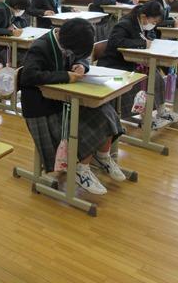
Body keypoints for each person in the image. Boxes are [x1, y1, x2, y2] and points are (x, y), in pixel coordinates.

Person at [19, 18, 125, 195]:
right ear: (65, 40)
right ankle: (81, 170)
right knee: (89, 125)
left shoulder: (70, 41)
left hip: (62, 100)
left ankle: (102, 157)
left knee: (105, 112)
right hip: (42, 108)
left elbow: (82, 57)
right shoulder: (41, 47)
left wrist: (81, 66)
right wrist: (65, 76)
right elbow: (28, 76)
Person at [98, 1, 178, 129]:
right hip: (114, 67)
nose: (153, 25)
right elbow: (116, 42)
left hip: (130, 63)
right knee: (144, 81)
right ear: (144, 16)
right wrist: (143, 44)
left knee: (156, 76)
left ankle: (161, 111)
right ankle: (146, 117)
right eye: (153, 22)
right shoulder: (125, 24)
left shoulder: (140, 22)